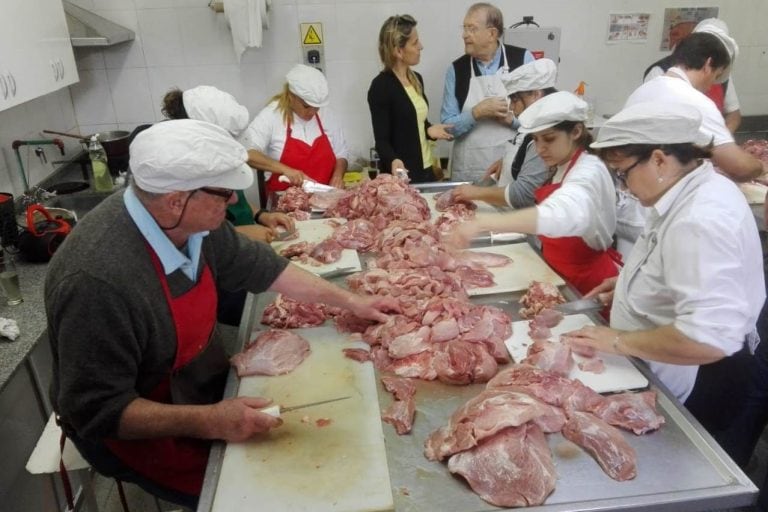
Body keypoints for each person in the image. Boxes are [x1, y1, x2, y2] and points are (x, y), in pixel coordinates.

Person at [45, 119, 397, 508]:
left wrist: (351, 302)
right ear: (177, 199)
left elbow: (264, 267)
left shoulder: (188, 222)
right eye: (225, 193)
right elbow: (98, 411)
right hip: (135, 432)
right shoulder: (97, 280)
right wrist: (210, 420)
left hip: (193, 386)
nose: (233, 202)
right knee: (261, 495)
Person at [563, 101, 764, 462]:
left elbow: (708, 337)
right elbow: (674, 265)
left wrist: (618, 340)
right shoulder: (685, 190)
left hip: (702, 380)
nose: (622, 187)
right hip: (676, 364)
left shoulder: (700, 219)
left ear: (659, 159)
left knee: (685, 470)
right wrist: (628, 285)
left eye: (622, 173)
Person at [449, 91, 619, 296]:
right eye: (536, 140)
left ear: (576, 131)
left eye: (549, 139)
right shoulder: (560, 164)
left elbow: (557, 213)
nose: (540, 149)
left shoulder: (589, 172)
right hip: (556, 274)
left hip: (586, 286)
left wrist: (483, 223)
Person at [618, 30, 765, 259]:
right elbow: (741, 168)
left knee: (634, 284)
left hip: (630, 210)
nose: (712, 86)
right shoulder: (693, 101)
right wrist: (761, 167)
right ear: (708, 64)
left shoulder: (645, 90)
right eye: (716, 75)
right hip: (663, 215)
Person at [161, 85, 294, 244]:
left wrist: (261, 215)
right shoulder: (175, 171)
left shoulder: (214, 158)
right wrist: (240, 233)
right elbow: (178, 236)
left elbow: (236, 204)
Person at [440, 2, 534, 183]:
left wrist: (512, 121)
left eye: (471, 29)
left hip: (510, 167)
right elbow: (446, 128)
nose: (464, 35)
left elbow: (539, 123)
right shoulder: (456, 70)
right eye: (464, 28)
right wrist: (477, 113)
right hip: (469, 172)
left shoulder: (523, 61)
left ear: (492, 33)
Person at [451, 58, 556, 209]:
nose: (512, 108)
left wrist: (476, 193)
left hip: (524, 220)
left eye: (515, 100)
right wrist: (510, 162)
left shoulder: (545, 135)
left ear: (535, 94)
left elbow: (522, 195)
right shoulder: (531, 127)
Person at [367, 14, 453, 183]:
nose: (421, 46)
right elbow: (382, 140)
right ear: (398, 51)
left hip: (427, 169)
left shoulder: (416, 79)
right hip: (403, 175)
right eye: (414, 43)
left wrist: (430, 130)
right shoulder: (381, 87)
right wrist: (393, 160)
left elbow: (415, 121)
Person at [241, 64, 349, 197]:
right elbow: (247, 153)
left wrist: (338, 176)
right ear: (291, 96)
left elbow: (341, 153)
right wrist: (286, 170)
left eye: (317, 108)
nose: (312, 112)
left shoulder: (327, 114)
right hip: (286, 204)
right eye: (306, 106)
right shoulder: (272, 115)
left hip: (325, 199)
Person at [644, 18, 742, 133]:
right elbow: (659, 123)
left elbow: (734, 114)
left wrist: (723, 137)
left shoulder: (720, 75)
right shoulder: (661, 74)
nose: (711, 85)